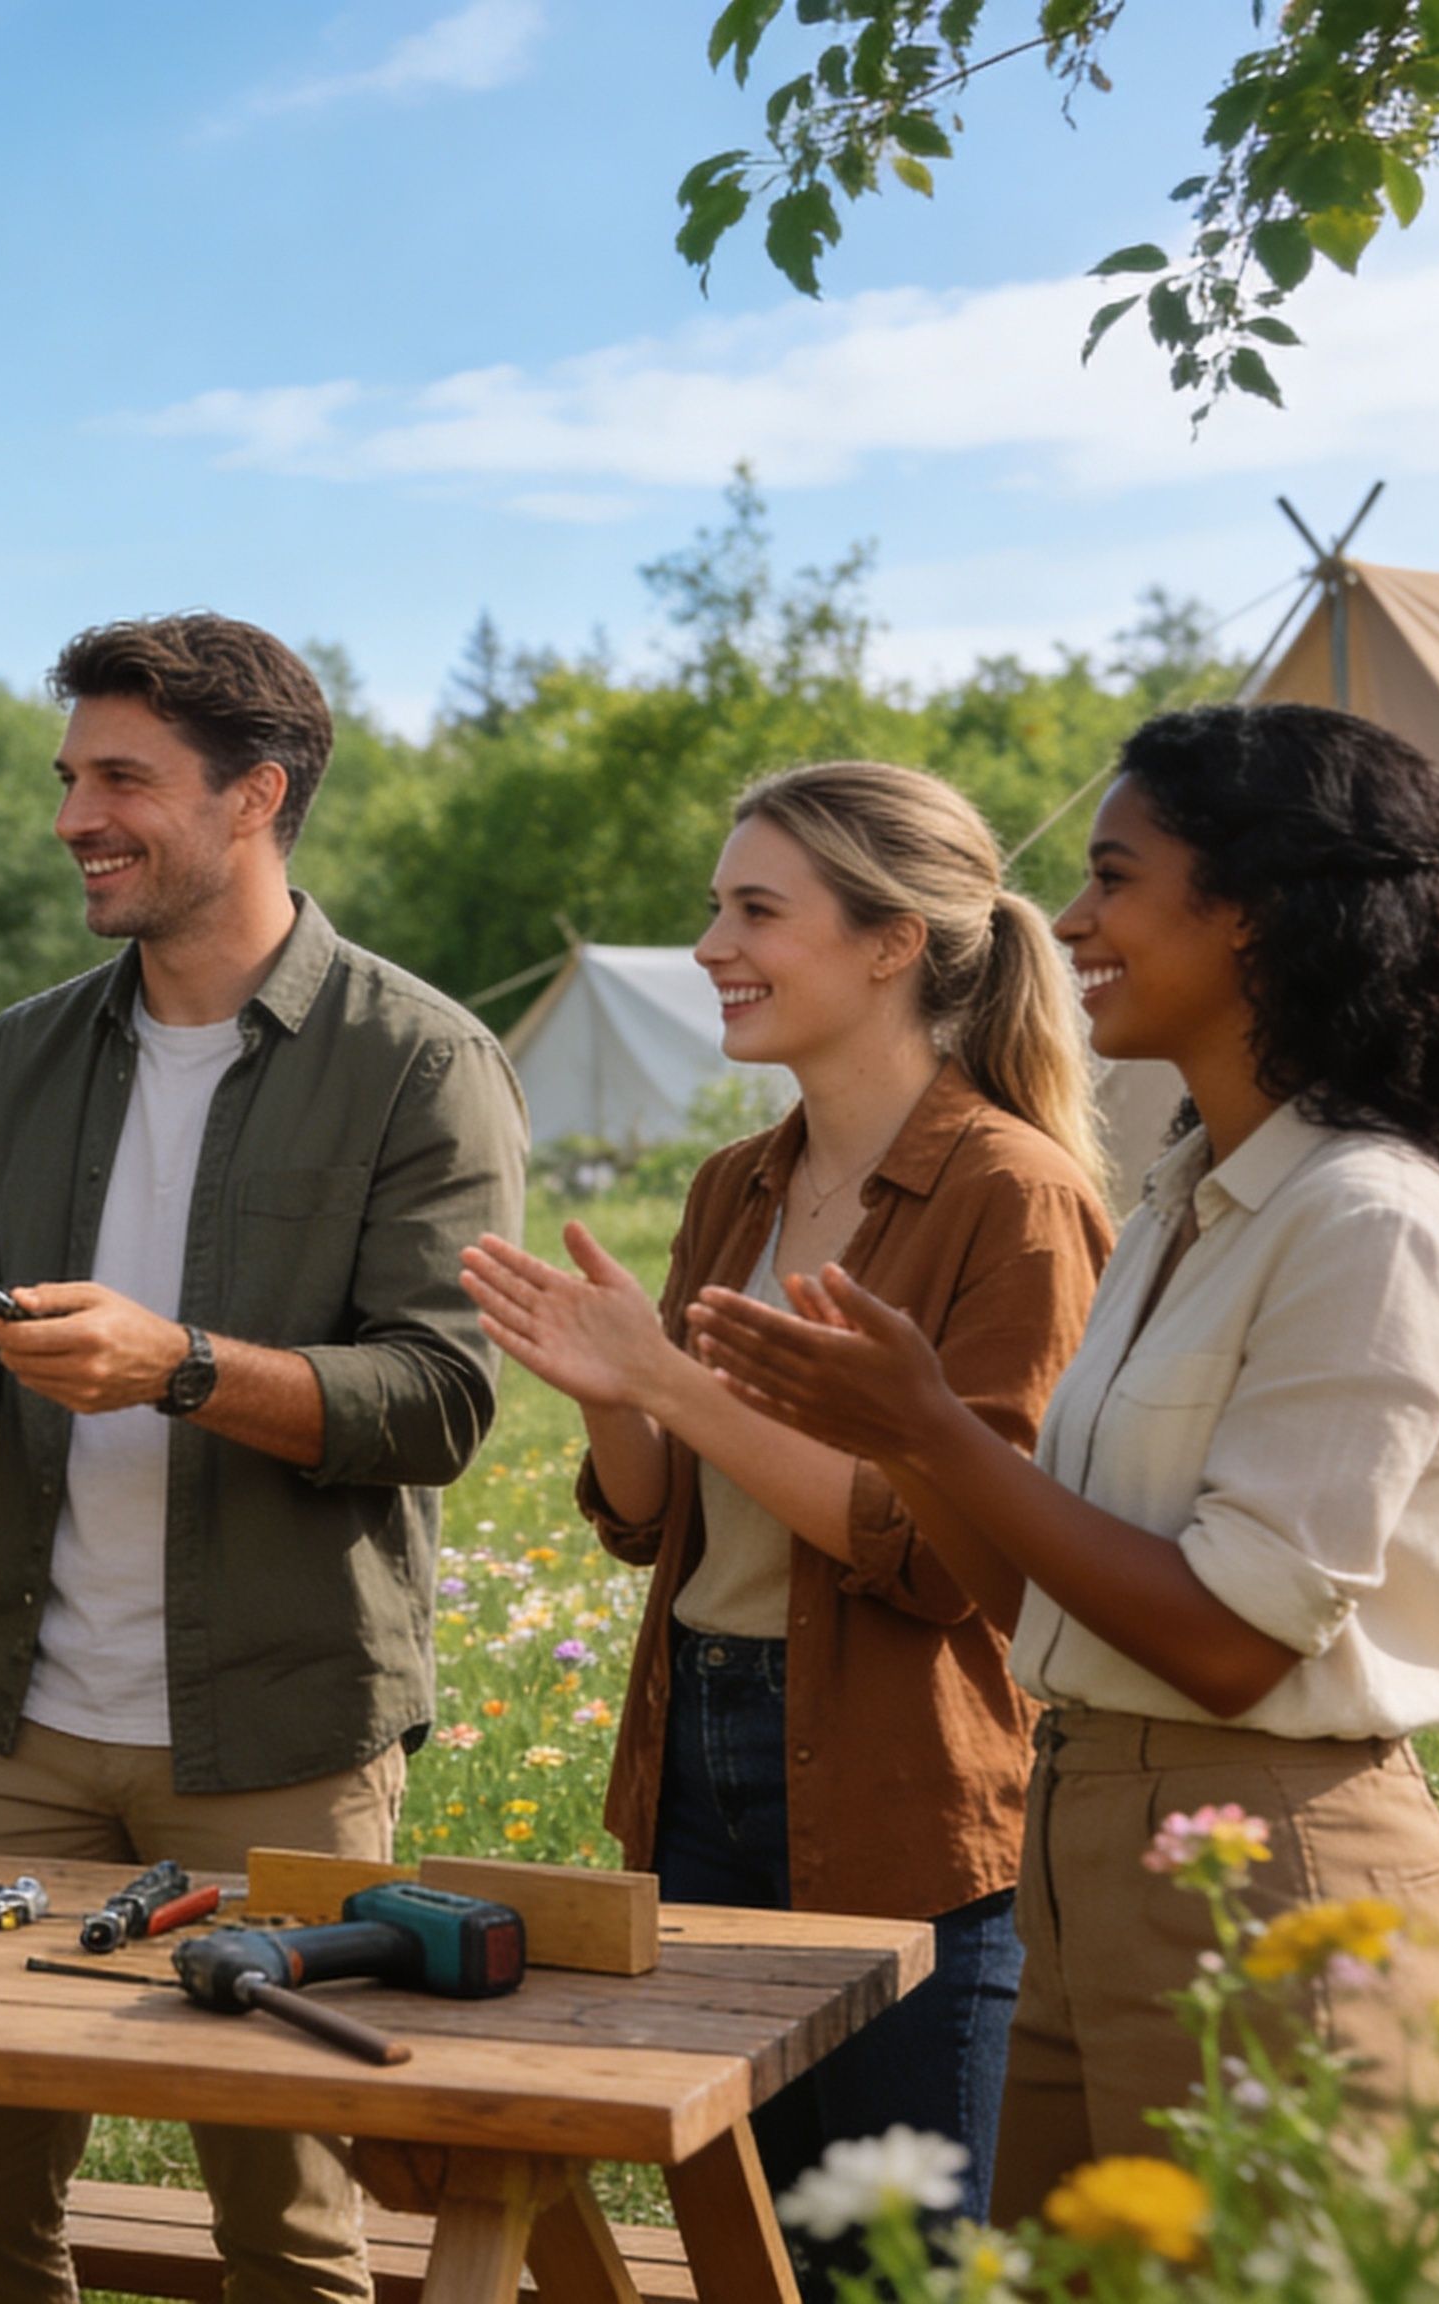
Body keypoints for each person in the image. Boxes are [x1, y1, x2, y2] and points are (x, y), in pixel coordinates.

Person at [690, 703, 1439, 2219]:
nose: (1070, 919)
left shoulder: (1366, 1217)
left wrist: (927, 1431)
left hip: (1272, 1871)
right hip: (1086, 1853)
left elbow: (1227, 1644)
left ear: (1256, 916)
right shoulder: (1179, 1203)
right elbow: (1039, 1603)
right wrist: (888, 1438)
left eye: (1114, 877)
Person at [0, 614, 525, 2304]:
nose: (76, 814)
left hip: (280, 1735)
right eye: (70, 776)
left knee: (285, 2218)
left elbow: (440, 1399)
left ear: (255, 796)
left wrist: (187, 1368)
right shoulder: (27, 1051)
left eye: (121, 778)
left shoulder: (420, 1059)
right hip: (26, 1728)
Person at [458, 761, 1112, 2263]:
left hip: (906, 1792)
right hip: (699, 1762)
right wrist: (609, 1391)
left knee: (895, 2264)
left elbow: (954, 1557)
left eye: (757, 909)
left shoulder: (1012, 1195)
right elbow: (652, 1520)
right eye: (713, 908)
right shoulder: (736, 1186)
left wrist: (678, 1392)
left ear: (892, 943)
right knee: (747, 2245)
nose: (709, 947)